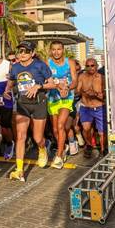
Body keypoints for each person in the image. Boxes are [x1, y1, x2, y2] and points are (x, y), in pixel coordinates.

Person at [7, 41, 52, 179]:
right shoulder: (14, 67)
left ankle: (42, 148)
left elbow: (52, 83)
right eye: (20, 51)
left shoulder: (40, 65)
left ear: (32, 53)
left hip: (39, 103)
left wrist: (38, 86)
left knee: (38, 137)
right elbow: (11, 82)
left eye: (26, 51)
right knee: (20, 137)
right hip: (22, 105)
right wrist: (6, 91)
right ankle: (19, 170)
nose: (22, 54)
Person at [46, 40, 79, 169]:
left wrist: (68, 88)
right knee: (55, 130)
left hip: (66, 97)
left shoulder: (69, 62)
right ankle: (63, 146)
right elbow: (44, 79)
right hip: (53, 97)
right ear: (50, 51)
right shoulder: (47, 63)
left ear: (63, 50)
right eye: (53, 49)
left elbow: (75, 81)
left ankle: (59, 156)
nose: (56, 52)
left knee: (61, 125)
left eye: (59, 49)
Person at [75, 57, 106, 157]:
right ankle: (88, 145)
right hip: (86, 107)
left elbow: (106, 94)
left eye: (92, 65)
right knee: (86, 128)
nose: (90, 68)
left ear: (96, 66)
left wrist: (97, 94)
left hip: (99, 107)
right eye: (87, 66)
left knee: (102, 132)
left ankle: (102, 149)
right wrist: (84, 92)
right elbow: (77, 90)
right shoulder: (82, 77)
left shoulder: (102, 78)